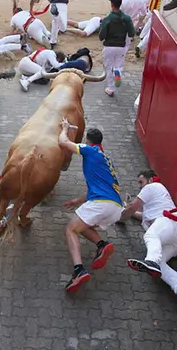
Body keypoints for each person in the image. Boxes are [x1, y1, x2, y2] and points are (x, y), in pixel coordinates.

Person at [118, 170, 177, 308]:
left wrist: (120, 217)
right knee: (161, 263)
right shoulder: (156, 202)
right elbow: (139, 214)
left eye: (141, 182)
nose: (140, 186)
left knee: (150, 236)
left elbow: (132, 208)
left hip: (168, 224)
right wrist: (127, 210)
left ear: (150, 180)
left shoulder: (152, 186)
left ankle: (151, 261)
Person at [58, 124, 122, 293]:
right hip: (115, 207)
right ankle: (101, 245)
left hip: (102, 203)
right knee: (82, 225)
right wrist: (76, 201)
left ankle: (78, 270)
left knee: (71, 229)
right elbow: (96, 188)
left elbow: (64, 143)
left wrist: (64, 128)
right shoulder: (106, 158)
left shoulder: (90, 150)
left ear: (88, 141)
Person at [99, 0, 135, 97]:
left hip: (109, 46)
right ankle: (117, 72)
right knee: (118, 64)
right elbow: (132, 33)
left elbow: (101, 36)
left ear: (112, 5)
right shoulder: (127, 18)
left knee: (108, 67)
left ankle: (110, 89)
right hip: (121, 46)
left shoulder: (107, 18)